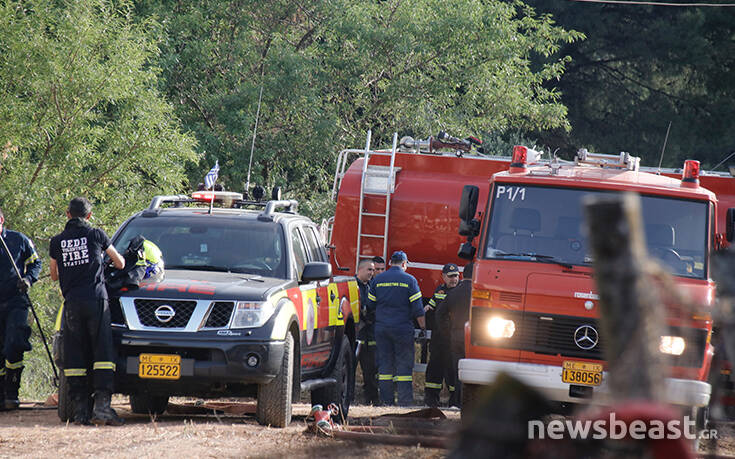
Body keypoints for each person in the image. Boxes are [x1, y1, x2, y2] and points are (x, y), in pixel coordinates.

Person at [49, 197, 125, 426]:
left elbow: (53, 275)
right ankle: (102, 407)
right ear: (89, 216)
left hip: (72, 303)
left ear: (67, 214)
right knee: (102, 354)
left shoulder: (57, 241)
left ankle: (81, 412)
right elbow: (119, 263)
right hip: (96, 302)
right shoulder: (96, 235)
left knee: (75, 356)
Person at [368, 251, 425, 406]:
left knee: (385, 365)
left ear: (390, 263)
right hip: (402, 330)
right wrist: (423, 328)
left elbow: (370, 305)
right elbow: (418, 309)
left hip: (382, 329)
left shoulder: (378, 280)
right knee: (404, 366)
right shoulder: (410, 280)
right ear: (404, 264)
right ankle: (404, 402)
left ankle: (386, 401)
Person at [0, 208, 41, 410]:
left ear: (1, 220)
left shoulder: (18, 240)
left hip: (16, 300)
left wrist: (28, 279)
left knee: (14, 343)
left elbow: (36, 263)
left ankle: (12, 391)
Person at [437, 262, 473, 408]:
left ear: (463, 275)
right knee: (473, 372)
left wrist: (447, 332)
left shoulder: (454, 293)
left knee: (459, 371)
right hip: (474, 338)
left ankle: (457, 402)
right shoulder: (479, 291)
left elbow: (440, 314)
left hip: (456, 336)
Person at [423, 263, 460, 407]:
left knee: (452, 370)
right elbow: (431, 305)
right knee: (434, 368)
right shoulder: (440, 290)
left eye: (456, 276)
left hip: (453, 337)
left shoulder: (460, 290)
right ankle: (431, 399)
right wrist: (425, 309)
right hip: (438, 338)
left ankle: (454, 400)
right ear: (443, 277)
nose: (453, 279)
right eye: (450, 276)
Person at [354, 259, 379, 404]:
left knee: (370, 370)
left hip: (370, 335)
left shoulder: (372, 286)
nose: (372, 273)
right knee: (350, 368)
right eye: (369, 269)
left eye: (373, 270)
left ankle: (372, 399)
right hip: (356, 335)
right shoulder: (352, 285)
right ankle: (348, 397)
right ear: (360, 270)